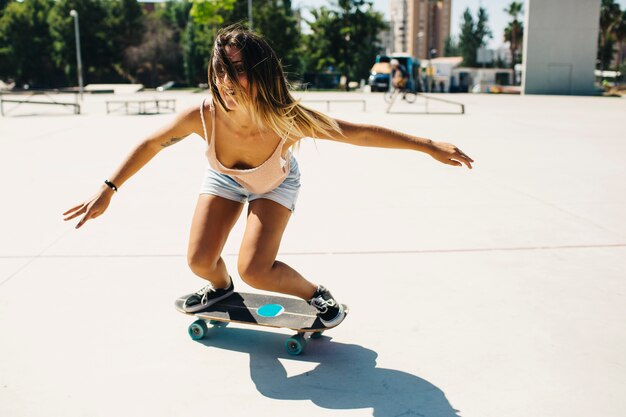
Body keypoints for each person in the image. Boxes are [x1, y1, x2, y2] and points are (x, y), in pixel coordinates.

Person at [63, 25, 474, 328]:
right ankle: (220, 289)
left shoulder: (287, 119)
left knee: (255, 270)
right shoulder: (201, 114)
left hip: (275, 183)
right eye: (220, 70)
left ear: (259, 71)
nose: (226, 83)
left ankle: (317, 295)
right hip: (223, 181)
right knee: (199, 261)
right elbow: (151, 143)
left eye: (237, 70)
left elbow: (358, 133)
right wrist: (108, 188)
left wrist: (427, 144)